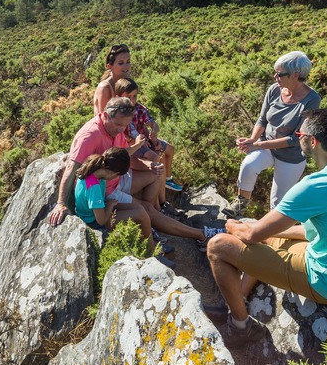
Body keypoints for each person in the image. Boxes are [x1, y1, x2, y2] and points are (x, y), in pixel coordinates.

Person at [206, 109, 327, 347]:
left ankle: (240, 326)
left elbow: (251, 235)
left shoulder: (317, 184)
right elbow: (309, 232)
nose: (297, 136)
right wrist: (260, 230)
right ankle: (240, 297)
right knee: (262, 232)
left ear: (312, 142)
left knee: (218, 246)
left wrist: (233, 225)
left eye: (299, 133)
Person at [73, 147, 224, 258]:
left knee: (143, 210)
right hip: (94, 221)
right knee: (141, 214)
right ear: (113, 173)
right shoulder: (94, 187)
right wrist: (111, 205)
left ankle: (153, 241)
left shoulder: (95, 168)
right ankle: (152, 253)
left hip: (95, 212)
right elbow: (101, 219)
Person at [225, 51, 320, 217]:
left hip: (291, 156)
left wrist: (257, 145)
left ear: (296, 75)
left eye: (279, 74)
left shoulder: (311, 99)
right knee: (249, 165)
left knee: (277, 203)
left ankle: (273, 233)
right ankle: (240, 204)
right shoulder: (275, 90)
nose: (275, 77)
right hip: (267, 144)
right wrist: (252, 140)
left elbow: (294, 139)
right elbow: (262, 120)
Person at [48, 96, 157, 226]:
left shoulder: (116, 129)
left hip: (115, 178)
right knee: (145, 209)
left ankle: (154, 221)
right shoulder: (89, 136)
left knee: (156, 175)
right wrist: (61, 203)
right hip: (104, 189)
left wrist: (147, 161)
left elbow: (122, 154)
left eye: (125, 125)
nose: (121, 129)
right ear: (105, 115)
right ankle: (155, 232)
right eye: (117, 124)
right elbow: (71, 168)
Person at [114, 77, 182, 205]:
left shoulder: (138, 109)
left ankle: (166, 181)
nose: (132, 100)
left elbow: (152, 123)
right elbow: (122, 137)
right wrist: (135, 141)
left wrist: (154, 131)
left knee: (166, 150)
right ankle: (161, 201)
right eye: (128, 97)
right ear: (118, 97)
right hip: (133, 146)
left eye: (135, 96)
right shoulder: (117, 114)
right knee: (156, 159)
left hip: (143, 141)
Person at [93, 44, 131, 114]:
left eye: (128, 62)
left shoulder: (127, 84)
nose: (126, 66)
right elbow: (104, 119)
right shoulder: (105, 88)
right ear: (109, 66)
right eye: (121, 63)